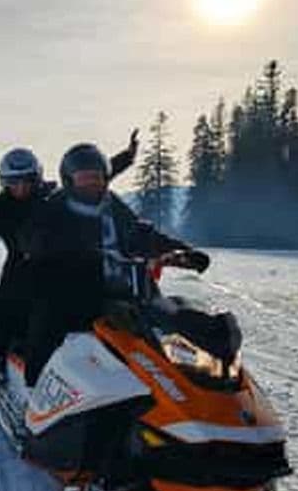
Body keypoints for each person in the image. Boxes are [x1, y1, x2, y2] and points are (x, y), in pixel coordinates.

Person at [0, 134, 140, 377]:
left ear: (37, 178)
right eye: (14, 182)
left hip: (56, 269)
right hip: (21, 271)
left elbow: (88, 179)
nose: (21, 187)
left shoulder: (52, 200)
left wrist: (125, 158)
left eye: (27, 180)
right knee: (10, 310)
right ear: (4, 182)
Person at [22, 142, 209, 387]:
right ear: (69, 181)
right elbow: (33, 239)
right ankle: (34, 388)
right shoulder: (56, 207)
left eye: (97, 178)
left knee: (165, 323)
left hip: (122, 288)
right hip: (69, 289)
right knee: (49, 322)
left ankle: (182, 389)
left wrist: (182, 250)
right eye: (84, 178)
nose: (92, 184)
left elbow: (141, 234)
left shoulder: (111, 206)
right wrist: (58, 248)